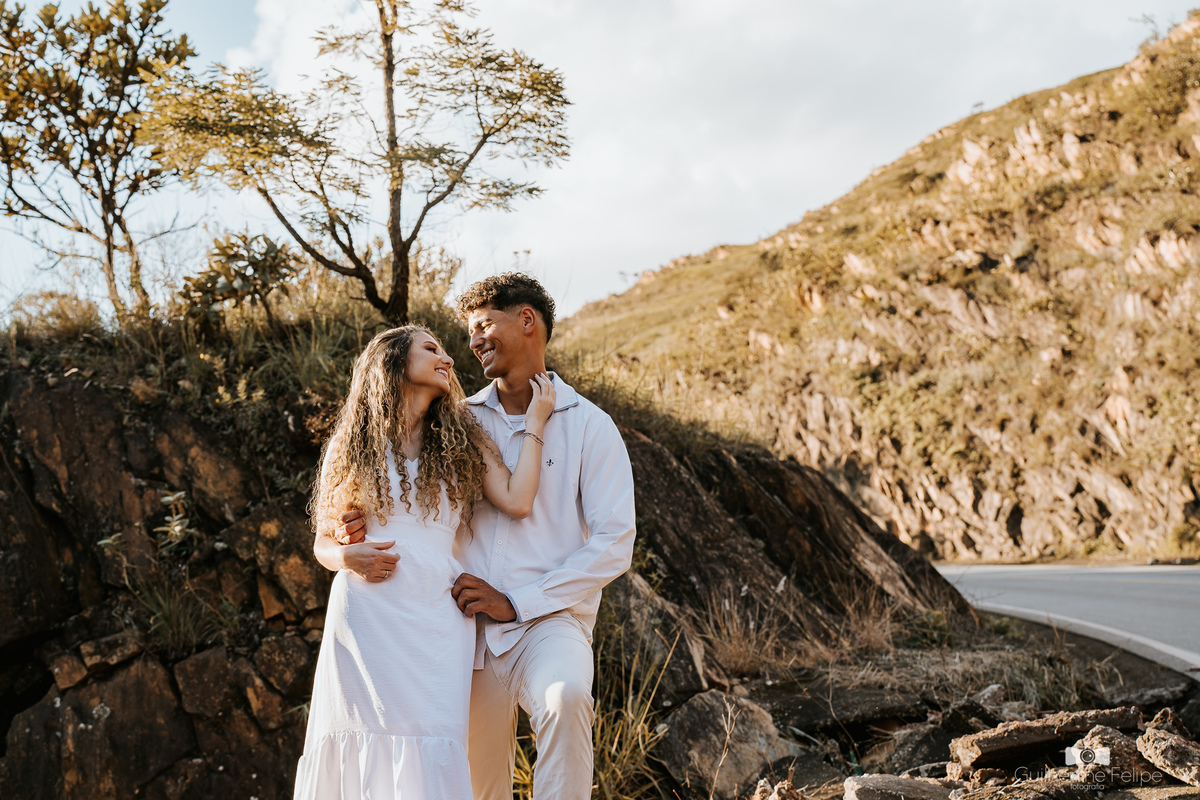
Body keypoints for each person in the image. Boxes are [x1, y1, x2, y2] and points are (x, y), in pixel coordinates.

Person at [336, 273, 637, 800]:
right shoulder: (456, 421)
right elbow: (402, 487)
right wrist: (356, 525)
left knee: (566, 698)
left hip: (549, 622)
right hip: (460, 627)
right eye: (470, 331)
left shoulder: (591, 426)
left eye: (483, 325)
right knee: (471, 781)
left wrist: (518, 601)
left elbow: (615, 542)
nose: (473, 342)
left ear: (527, 321)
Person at [296, 325, 556, 800]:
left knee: (436, 740)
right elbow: (323, 544)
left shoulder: (464, 438)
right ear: (394, 361)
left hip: (438, 615)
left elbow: (518, 500)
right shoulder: (350, 443)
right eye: (431, 349)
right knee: (360, 739)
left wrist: (535, 424)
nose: (449, 359)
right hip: (366, 616)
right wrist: (348, 556)